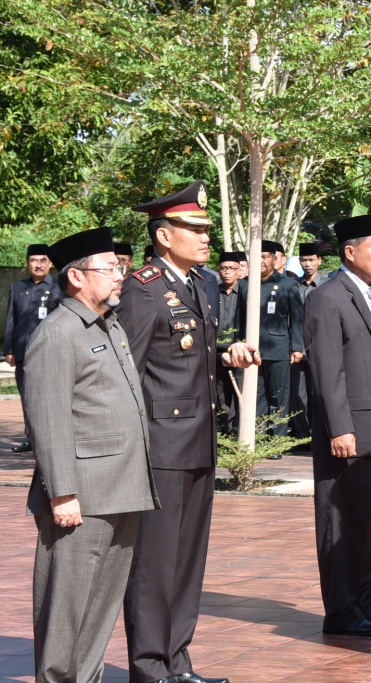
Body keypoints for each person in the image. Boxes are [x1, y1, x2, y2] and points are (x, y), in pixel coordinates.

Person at [121, 180, 259, 683]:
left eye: (206, 228)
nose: (205, 237)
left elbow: (189, 356)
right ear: (163, 235)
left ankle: (178, 662)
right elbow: (129, 372)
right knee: (155, 563)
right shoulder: (143, 287)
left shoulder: (199, 284)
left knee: (187, 562)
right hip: (160, 445)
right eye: (195, 228)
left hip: (199, 439)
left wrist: (227, 354)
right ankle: (150, 666)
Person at [25, 228, 158, 683]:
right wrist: (62, 492)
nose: (121, 275)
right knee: (67, 603)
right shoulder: (58, 332)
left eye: (120, 267)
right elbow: (48, 417)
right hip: (81, 494)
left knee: (101, 604)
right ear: (78, 277)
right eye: (111, 269)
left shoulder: (108, 324)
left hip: (122, 487)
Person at [304, 212, 371, 637]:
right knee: (342, 521)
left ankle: (367, 603)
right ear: (350, 252)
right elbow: (327, 372)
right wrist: (339, 427)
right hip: (351, 430)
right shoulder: (328, 297)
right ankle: (343, 611)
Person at [4, 244, 63, 454]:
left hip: (50, 352)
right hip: (22, 353)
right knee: (27, 396)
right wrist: (9, 349)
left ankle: (50, 439)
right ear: (27, 263)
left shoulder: (59, 288)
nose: (38, 265)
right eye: (33, 260)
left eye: (43, 260)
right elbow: (11, 320)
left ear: (49, 264)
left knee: (50, 396)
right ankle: (30, 438)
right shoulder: (17, 288)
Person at [248, 240, 304, 440]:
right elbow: (240, 317)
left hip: (278, 348)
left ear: (274, 258)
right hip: (251, 349)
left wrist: (297, 347)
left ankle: (276, 440)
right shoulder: (246, 283)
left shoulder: (287, 285)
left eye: (264, 257)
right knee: (256, 395)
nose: (261, 261)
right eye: (257, 257)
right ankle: (257, 438)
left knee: (278, 396)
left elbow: (297, 318)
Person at [290, 243, 327, 441]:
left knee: (320, 391)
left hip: (322, 347)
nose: (307, 264)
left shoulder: (328, 285)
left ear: (319, 260)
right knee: (299, 392)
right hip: (298, 347)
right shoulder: (294, 286)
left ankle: (320, 434)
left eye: (311, 260)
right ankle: (302, 435)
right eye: (304, 260)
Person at [216, 251, 247, 435]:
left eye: (232, 268)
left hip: (240, 349)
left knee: (240, 392)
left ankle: (237, 432)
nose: (227, 272)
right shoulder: (212, 291)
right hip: (219, 350)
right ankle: (223, 431)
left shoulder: (245, 293)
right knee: (220, 394)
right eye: (223, 268)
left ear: (239, 271)